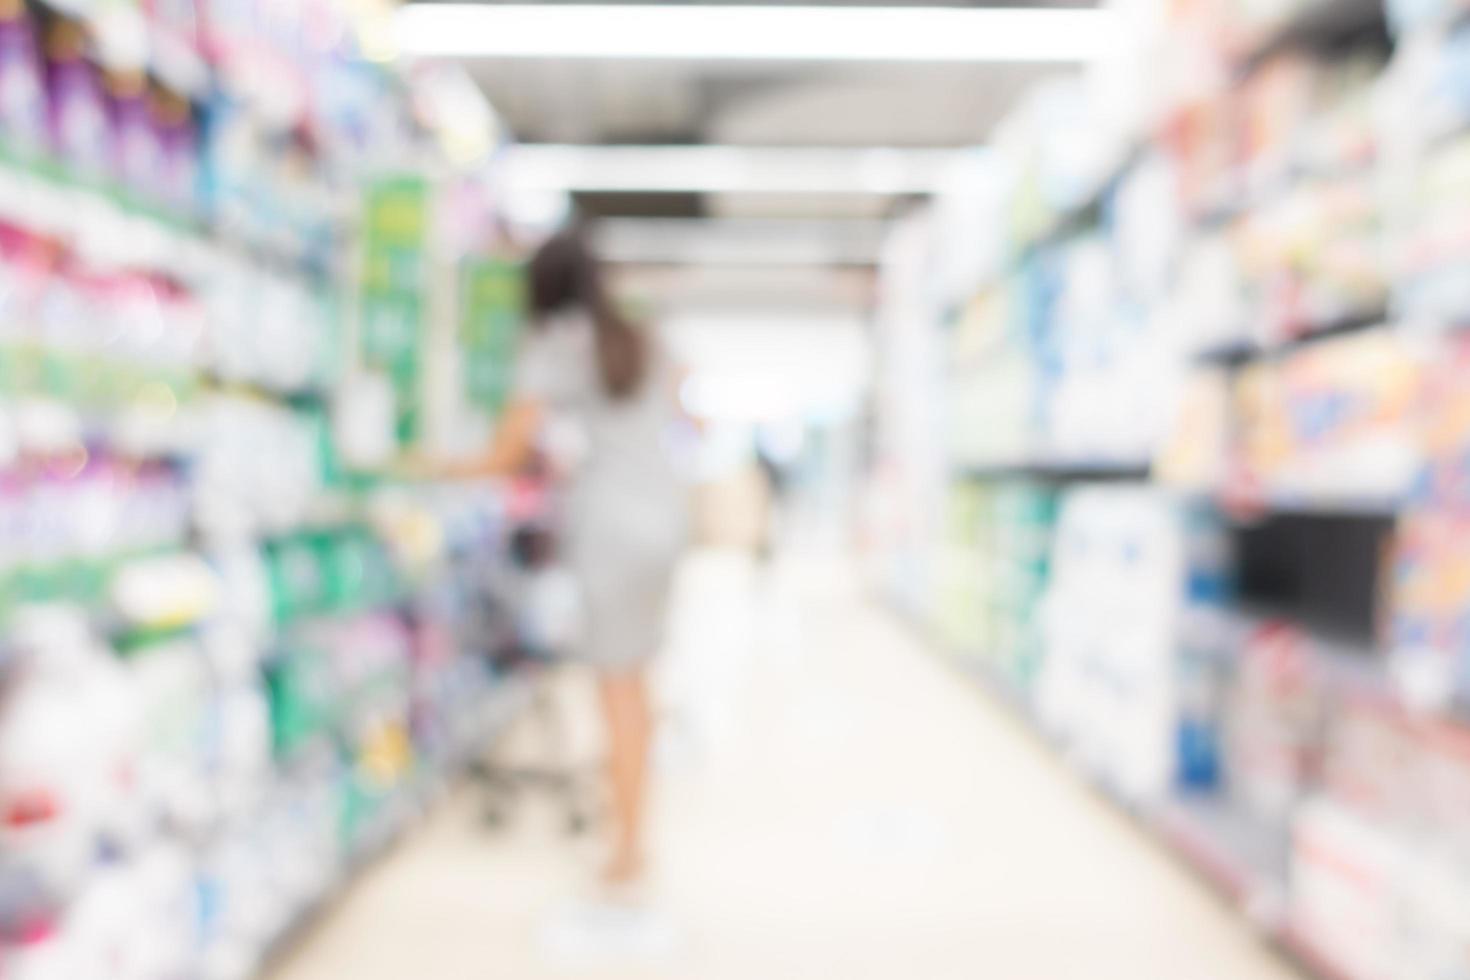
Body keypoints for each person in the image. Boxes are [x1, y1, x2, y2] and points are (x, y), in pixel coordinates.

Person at [425, 227, 688, 887]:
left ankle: (628, 847)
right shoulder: (640, 336)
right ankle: (634, 831)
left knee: (615, 688)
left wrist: (433, 464)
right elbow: (687, 410)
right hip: (666, 519)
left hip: (609, 530)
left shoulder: (553, 345)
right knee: (639, 681)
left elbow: (508, 451)